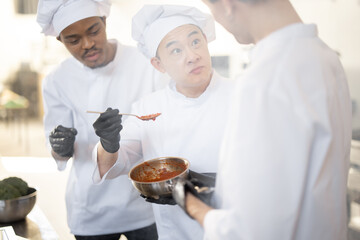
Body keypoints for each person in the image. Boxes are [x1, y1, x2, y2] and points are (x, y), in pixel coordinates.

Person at [174, 0, 353, 239]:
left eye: (211, 7)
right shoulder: (323, 55)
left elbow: (247, 232)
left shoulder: (263, 82)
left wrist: (191, 204)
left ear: (227, 4)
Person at [92, 5, 235, 240]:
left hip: (235, 228)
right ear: (159, 65)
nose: (192, 56)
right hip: (176, 232)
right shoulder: (147, 108)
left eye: (196, 42)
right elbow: (114, 166)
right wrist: (108, 143)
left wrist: (216, 183)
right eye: (176, 50)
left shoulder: (242, 96)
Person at [36, 0, 167, 239]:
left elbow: (165, 121)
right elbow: (58, 152)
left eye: (93, 31)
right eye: (73, 40)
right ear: (60, 40)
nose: (87, 44)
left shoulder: (144, 62)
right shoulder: (57, 80)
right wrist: (59, 147)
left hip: (145, 201)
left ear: (104, 22)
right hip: (92, 207)